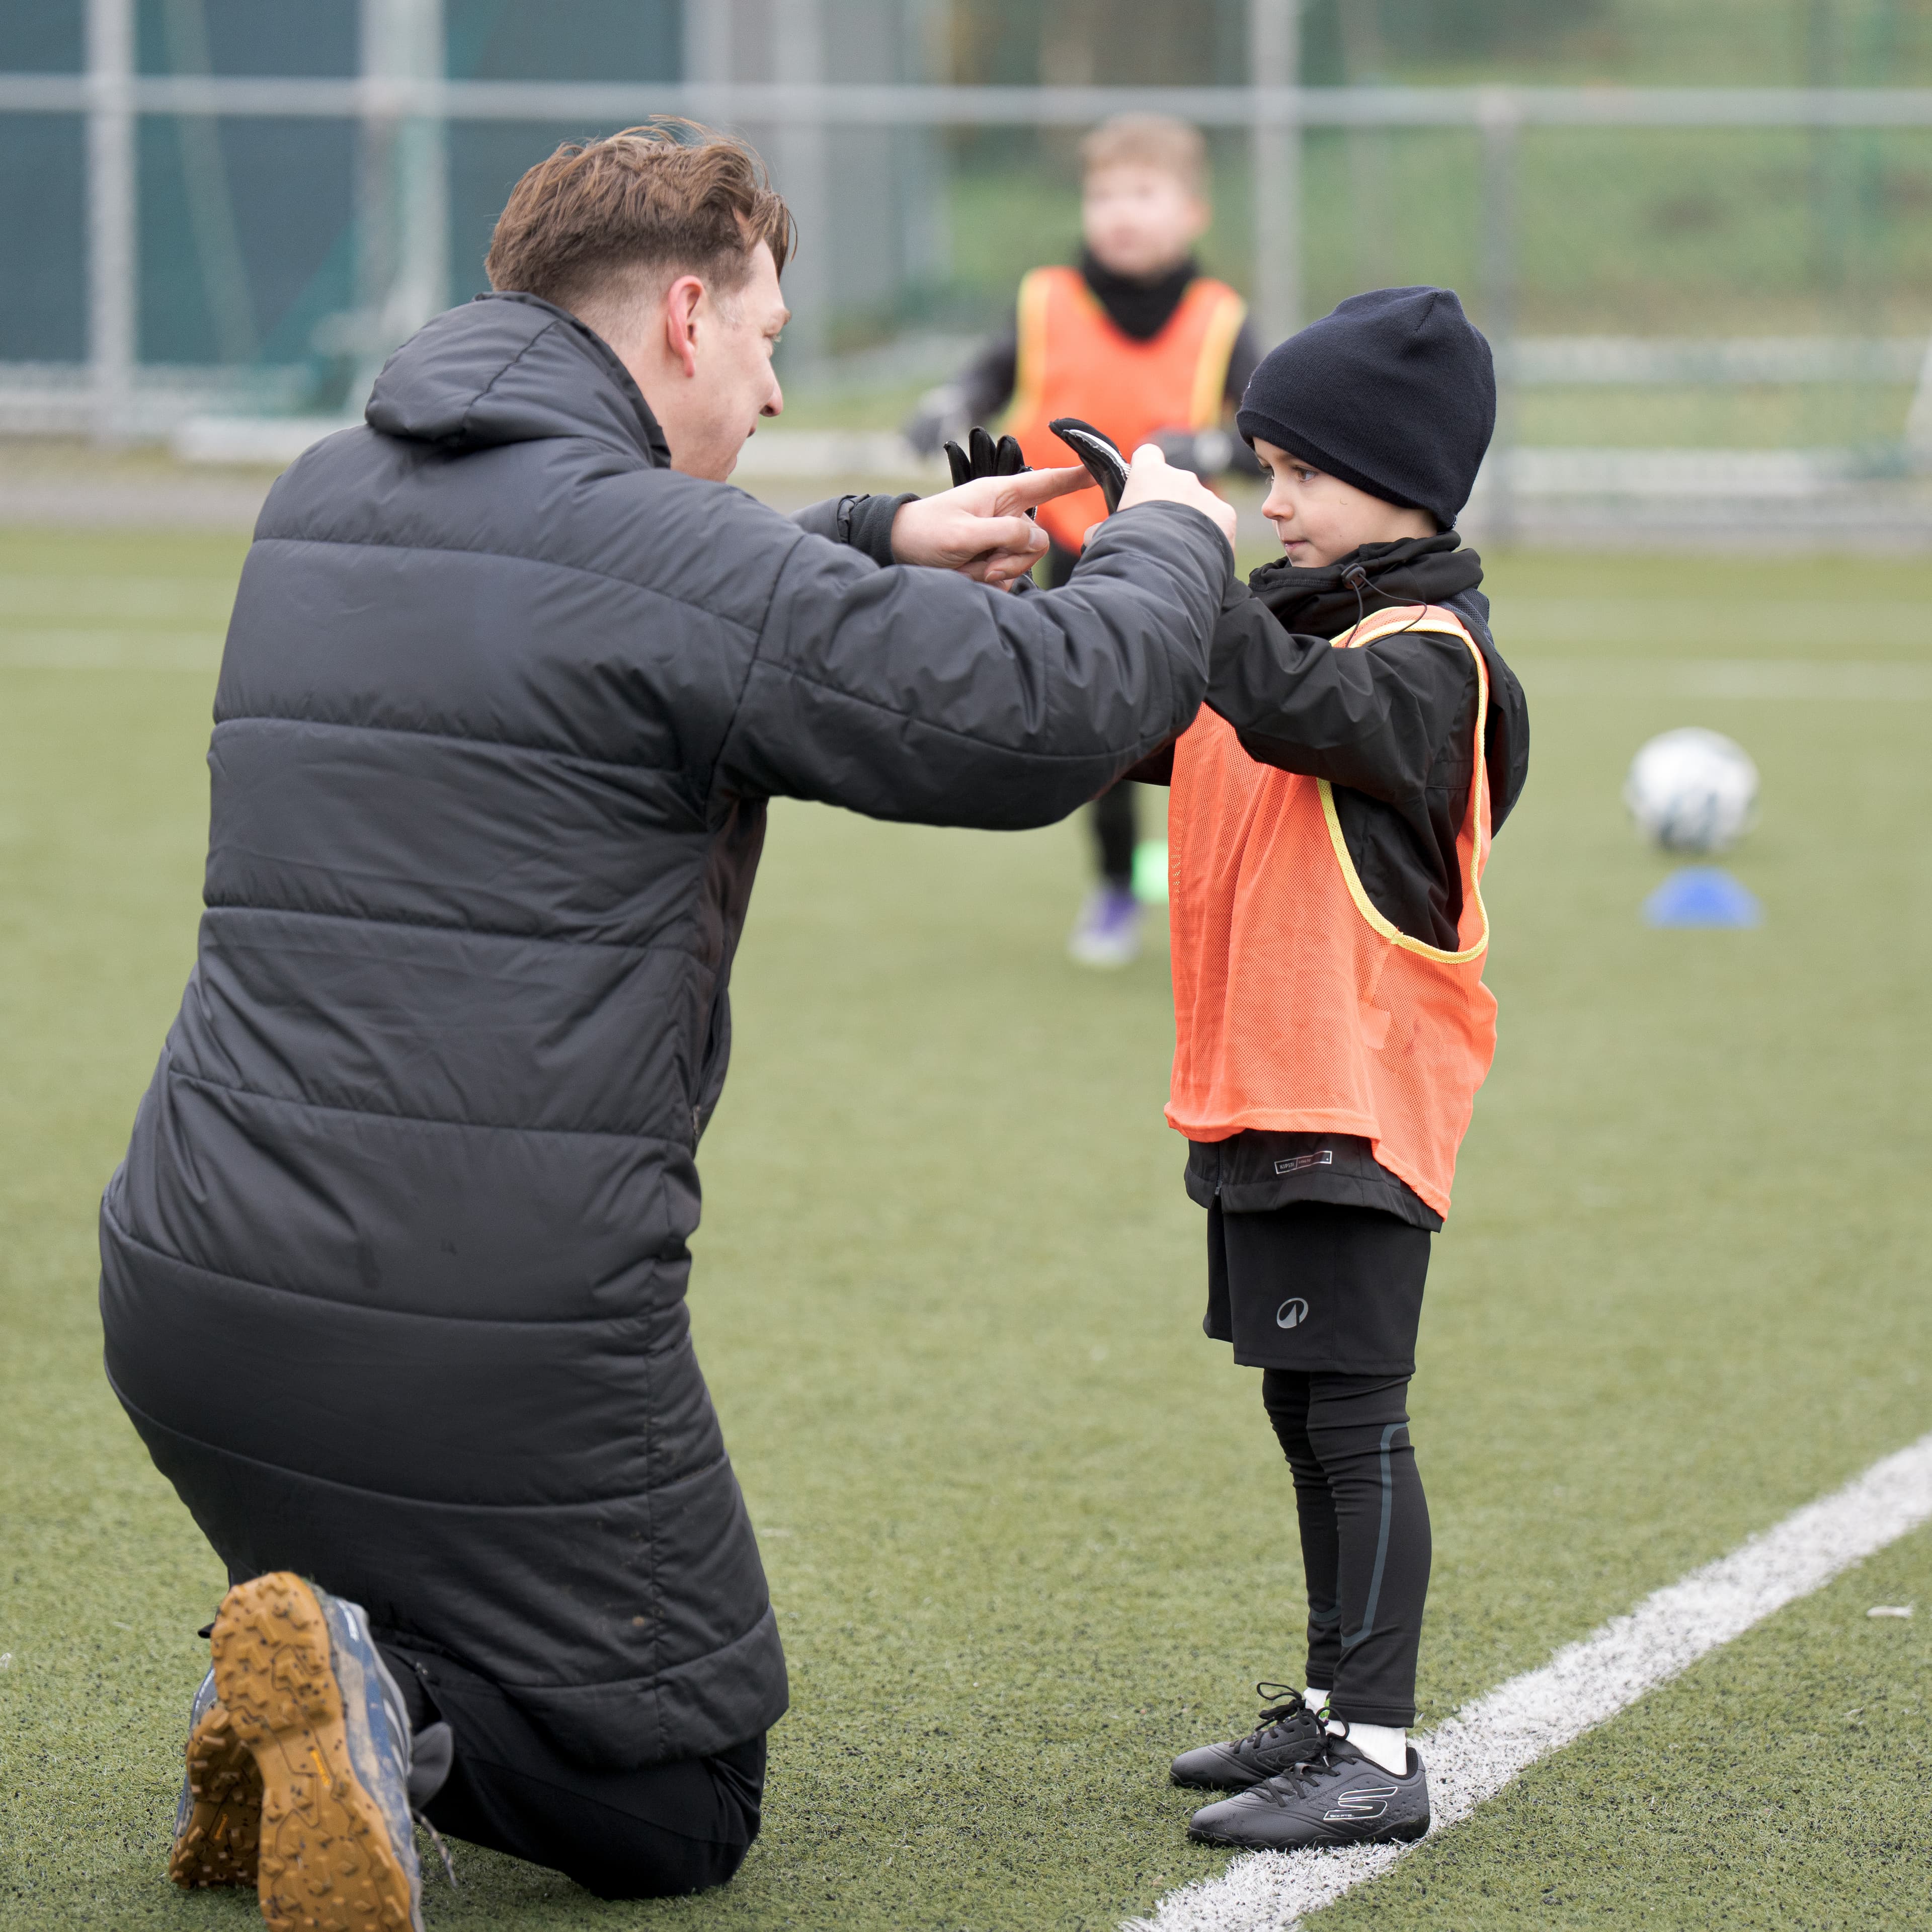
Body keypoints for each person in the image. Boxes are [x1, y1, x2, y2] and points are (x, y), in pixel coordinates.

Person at [101, 123, 1239, 1928]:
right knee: (686, 1803)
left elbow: (598, 594)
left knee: (461, 1587)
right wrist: (1173, 543)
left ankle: (322, 1667)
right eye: (773, 338)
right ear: (687, 314)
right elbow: (1036, 723)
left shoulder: (321, 489)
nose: (781, 392)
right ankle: (395, 1708)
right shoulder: (669, 560)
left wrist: (871, 540)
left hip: (190, 1293)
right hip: (487, 1316)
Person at [1129, 288, 1530, 1849]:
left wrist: (1176, 556)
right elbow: (1147, 713)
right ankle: (1326, 1702)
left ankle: (1375, 1747)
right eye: (1261, 471)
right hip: (1261, 1089)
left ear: (1408, 482)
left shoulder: (1432, 659)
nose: (1272, 503)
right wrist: (1067, 575)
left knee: (1357, 1421)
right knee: (1307, 1412)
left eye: (1298, 474)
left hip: (1354, 1104)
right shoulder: (1293, 623)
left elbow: (1304, 712)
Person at [907, 114, 1261, 968]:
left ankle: (1221, 893)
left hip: (1183, 555)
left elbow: (1264, 435)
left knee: (1217, 731)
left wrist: (1208, 449)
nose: (1121, 213)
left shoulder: (1220, 319)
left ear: (1192, 212)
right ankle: (1112, 889)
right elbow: (987, 377)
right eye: (1105, 194)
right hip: (1066, 545)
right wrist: (949, 404)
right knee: (1108, 731)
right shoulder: (1046, 298)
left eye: (1144, 194)